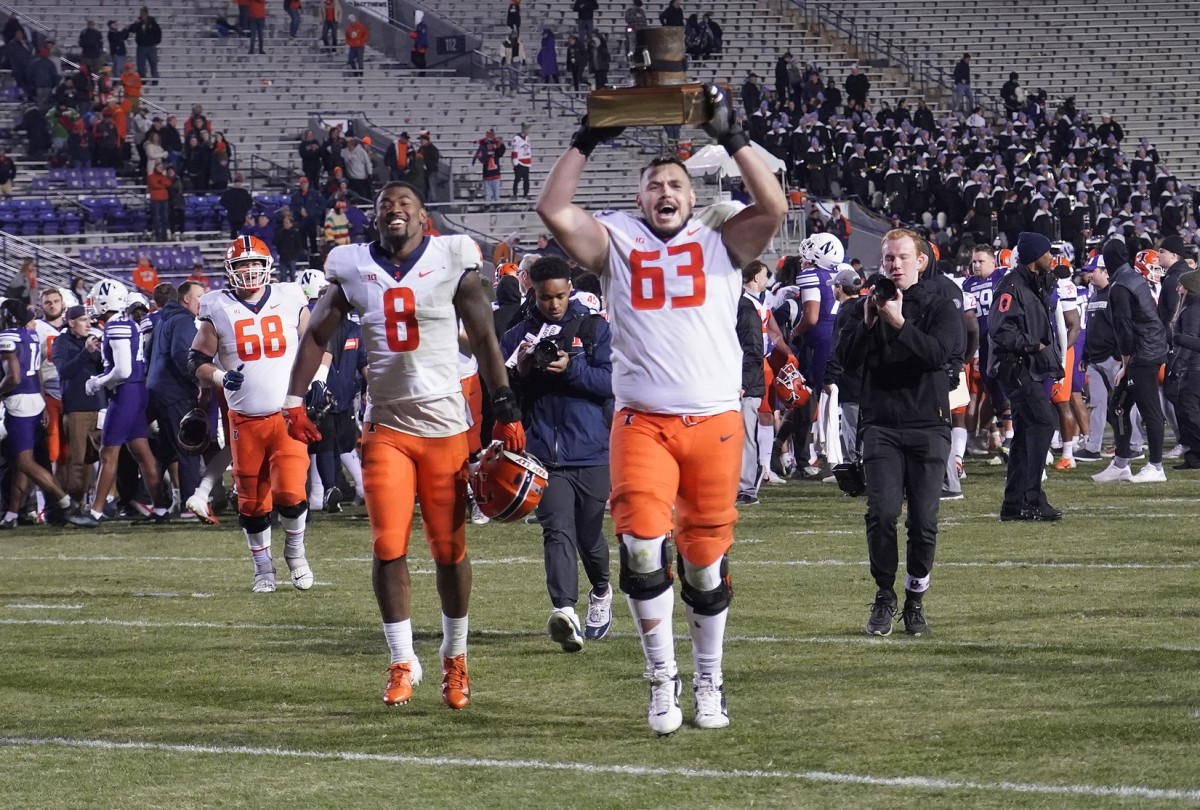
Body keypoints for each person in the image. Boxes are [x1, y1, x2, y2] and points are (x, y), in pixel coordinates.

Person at [536, 83, 787, 734]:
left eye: (675, 182)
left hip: (714, 422)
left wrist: (733, 137)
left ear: (692, 193)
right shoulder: (616, 238)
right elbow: (554, 208)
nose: (665, 193)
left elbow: (775, 205)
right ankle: (660, 679)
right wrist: (586, 141)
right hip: (642, 422)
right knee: (642, 548)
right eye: (653, 184)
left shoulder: (719, 237)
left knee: (703, 562)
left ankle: (709, 676)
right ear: (639, 195)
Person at [284, 181, 527, 711]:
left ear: (424, 218)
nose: (395, 211)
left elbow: (484, 336)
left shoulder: (451, 258)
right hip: (388, 426)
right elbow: (316, 336)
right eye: (385, 205)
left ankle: (454, 659)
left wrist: (504, 405)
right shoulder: (351, 266)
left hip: (445, 428)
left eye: (406, 204)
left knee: (448, 550)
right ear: (375, 218)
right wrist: (293, 399)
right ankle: (399, 660)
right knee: (388, 545)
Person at [835, 229, 964, 637]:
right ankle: (884, 595)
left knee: (924, 521)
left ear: (920, 261)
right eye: (888, 257)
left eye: (902, 257)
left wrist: (901, 323)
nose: (893, 264)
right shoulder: (862, 307)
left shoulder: (942, 304)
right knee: (882, 513)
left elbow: (937, 356)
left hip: (928, 422)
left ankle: (915, 598)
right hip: (882, 424)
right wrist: (870, 323)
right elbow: (846, 363)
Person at [500, 255, 615, 652]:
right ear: (532, 289)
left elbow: (611, 383)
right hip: (543, 454)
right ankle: (565, 611)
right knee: (557, 531)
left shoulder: (595, 328)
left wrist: (570, 368)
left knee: (589, 536)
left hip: (590, 448)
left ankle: (600, 589)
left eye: (561, 296)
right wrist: (523, 370)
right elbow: (504, 393)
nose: (554, 304)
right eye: (546, 297)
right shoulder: (516, 336)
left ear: (570, 289)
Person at [187, 236, 315, 593]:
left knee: (291, 493)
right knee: (252, 499)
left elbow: (317, 344)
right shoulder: (217, 306)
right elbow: (197, 360)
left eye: (254, 264)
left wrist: (317, 382)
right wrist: (219, 377)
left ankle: (295, 553)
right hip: (244, 419)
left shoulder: (290, 297)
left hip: (287, 415)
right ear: (230, 270)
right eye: (241, 265)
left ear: (267, 266)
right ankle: (263, 568)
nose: (249, 272)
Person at [69, 279, 171, 527]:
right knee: (142, 452)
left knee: (108, 452)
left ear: (105, 300)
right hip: (135, 392)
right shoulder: (125, 323)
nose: (91, 304)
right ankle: (159, 508)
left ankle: (95, 512)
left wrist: (97, 381)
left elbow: (123, 370)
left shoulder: (116, 326)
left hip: (125, 393)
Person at [988, 232, 1062, 521]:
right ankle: (1032, 498)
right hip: (1016, 366)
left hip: (1028, 366)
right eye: (1047, 252)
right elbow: (1000, 328)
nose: (1052, 257)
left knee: (1024, 432)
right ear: (1035, 256)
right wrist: (1034, 345)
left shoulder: (1031, 284)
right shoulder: (1012, 286)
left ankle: (1013, 503)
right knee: (1044, 422)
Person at [1092, 238, 1170, 482]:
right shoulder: (1132, 278)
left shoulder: (1120, 286)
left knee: (1149, 410)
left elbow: (1125, 329)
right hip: (1146, 349)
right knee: (1119, 407)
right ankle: (1121, 463)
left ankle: (1156, 466)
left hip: (1143, 354)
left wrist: (1125, 365)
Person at [0, 299, 76, 529]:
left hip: (18, 402)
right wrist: (42, 401)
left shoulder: (7, 337)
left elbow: (14, 377)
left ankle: (64, 501)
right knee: (22, 461)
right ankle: (12, 514)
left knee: (23, 460)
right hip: (34, 400)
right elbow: (38, 372)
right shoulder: (30, 335)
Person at [146, 280, 207, 514]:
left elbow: (149, 353)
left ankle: (158, 504)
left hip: (159, 390)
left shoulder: (164, 319)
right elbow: (183, 355)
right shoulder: (182, 320)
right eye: (199, 296)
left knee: (166, 450)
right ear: (186, 299)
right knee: (188, 448)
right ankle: (189, 505)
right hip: (175, 391)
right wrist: (198, 380)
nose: (202, 301)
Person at [52, 304, 105, 506]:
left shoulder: (93, 340)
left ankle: (105, 502)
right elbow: (64, 371)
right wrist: (85, 353)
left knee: (105, 457)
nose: (88, 323)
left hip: (99, 406)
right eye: (83, 320)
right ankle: (75, 503)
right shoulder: (61, 342)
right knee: (78, 460)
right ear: (71, 322)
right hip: (77, 409)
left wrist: (101, 354)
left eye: (89, 320)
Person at [129, 7, 162, 81]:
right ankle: (142, 79)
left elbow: (158, 33)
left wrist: (156, 42)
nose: (142, 16)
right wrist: (136, 22)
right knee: (141, 65)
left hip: (151, 47)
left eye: (144, 14)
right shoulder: (138, 23)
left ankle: (154, 79)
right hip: (141, 47)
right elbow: (132, 30)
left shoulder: (153, 23)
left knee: (153, 63)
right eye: (141, 14)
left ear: (147, 14)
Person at [511, 123, 532, 200]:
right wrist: (515, 161)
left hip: (526, 162)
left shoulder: (527, 138)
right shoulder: (516, 138)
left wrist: (530, 159)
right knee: (517, 178)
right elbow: (514, 150)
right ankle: (515, 193)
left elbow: (529, 149)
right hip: (519, 162)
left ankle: (526, 194)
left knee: (526, 180)